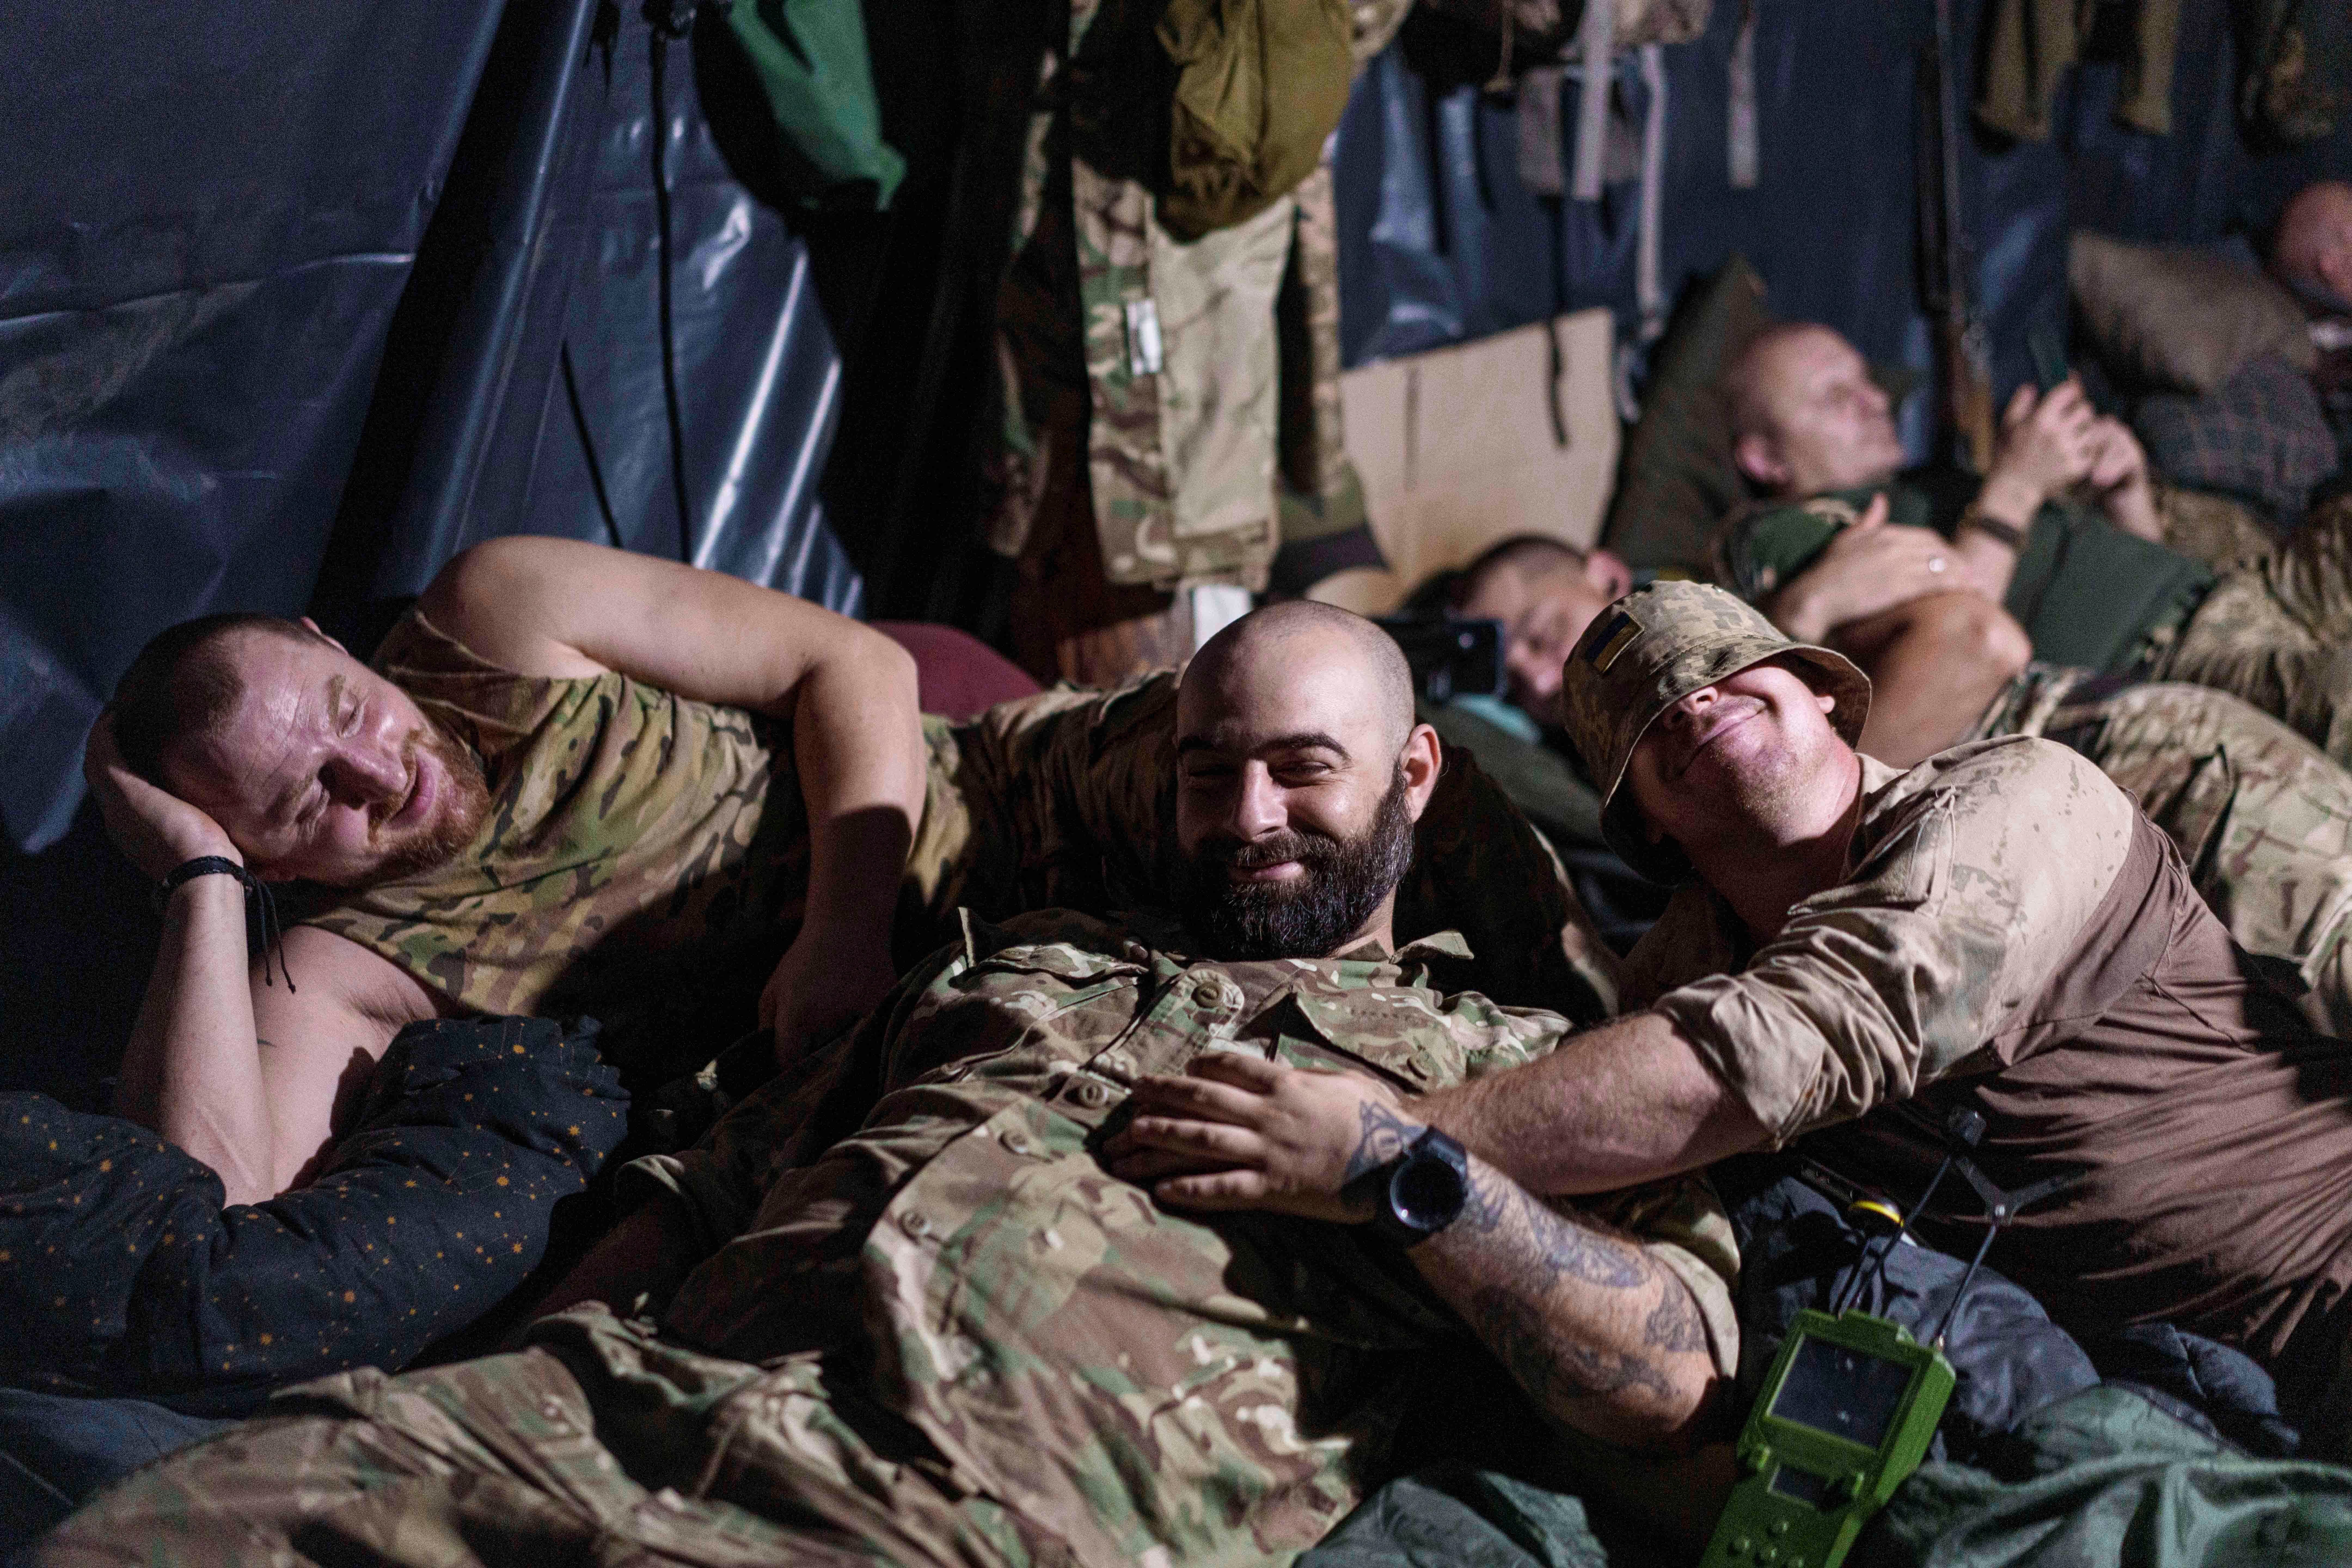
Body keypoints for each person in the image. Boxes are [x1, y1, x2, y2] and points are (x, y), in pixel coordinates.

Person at [36, 603, 1735, 1568]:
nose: (1253, 816)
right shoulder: (1033, 950)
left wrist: (1400, 1171)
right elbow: (711, 1181)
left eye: (1307, 770)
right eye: (1214, 776)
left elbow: (1666, 1372)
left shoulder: (1516, 1073)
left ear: (1417, 773)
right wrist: (523, 1366)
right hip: (630, 1410)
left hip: (947, 1508)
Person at [1115, 582, 2352, 1453]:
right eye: (1655, 724)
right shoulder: (1684, 969)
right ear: (1649, 821)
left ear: (1824, 696)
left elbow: (1769, 1053)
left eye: (1731, 676)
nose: (1695, 704)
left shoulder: (2022, 802)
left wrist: (1390, 1144)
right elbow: (1592, 1047)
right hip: (2196, 1396)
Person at [1440, 531, 2352, 1034]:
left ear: (1606, 571)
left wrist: (1773, 651)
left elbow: (1975, 640)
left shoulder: (1755, 574)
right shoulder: (1604, 764)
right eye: (1509, 667)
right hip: (2052, 901)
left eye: (1536, 629)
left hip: (2131, 764)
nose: (1528, 672)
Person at [1713, 320, 2352, 770]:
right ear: (1765, 458)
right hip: (2175, 673)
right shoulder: (1786, 535)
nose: (1876, 400)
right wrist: (2014, 489)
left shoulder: (1928, 485)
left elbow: (2144, 579)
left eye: (1865, 382)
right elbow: (1952, 641)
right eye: (1835, 398)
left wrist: (2123, 496)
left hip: (2234, 597)